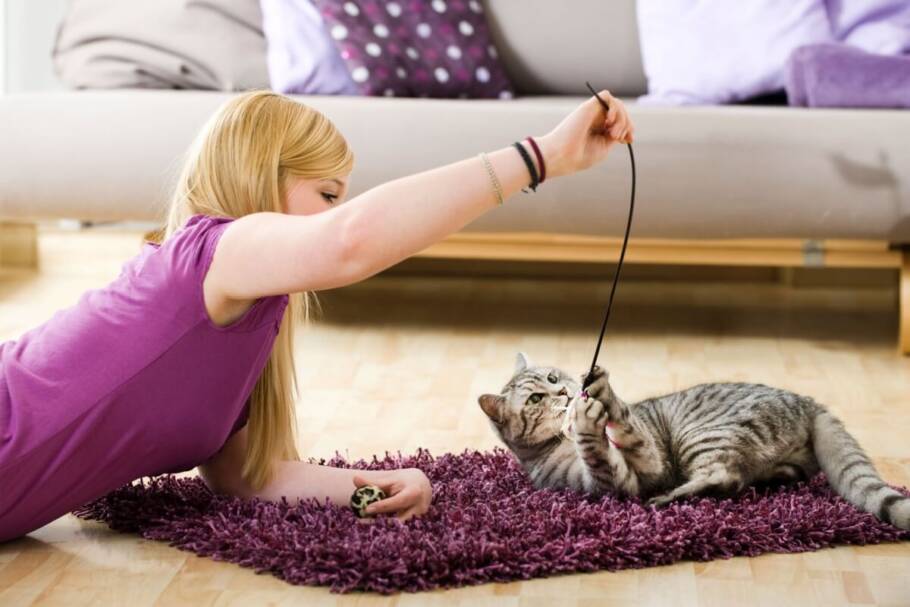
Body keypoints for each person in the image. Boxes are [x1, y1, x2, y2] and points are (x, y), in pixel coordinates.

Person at [0, 89, 633, 541]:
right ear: (259, 178)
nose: (336, 214)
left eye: (340, 200)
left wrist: (379, 488)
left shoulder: (248, 322)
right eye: (327, 195)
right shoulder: (211, 251)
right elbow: (350, 242)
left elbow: (247, 478)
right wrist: (541, 156)